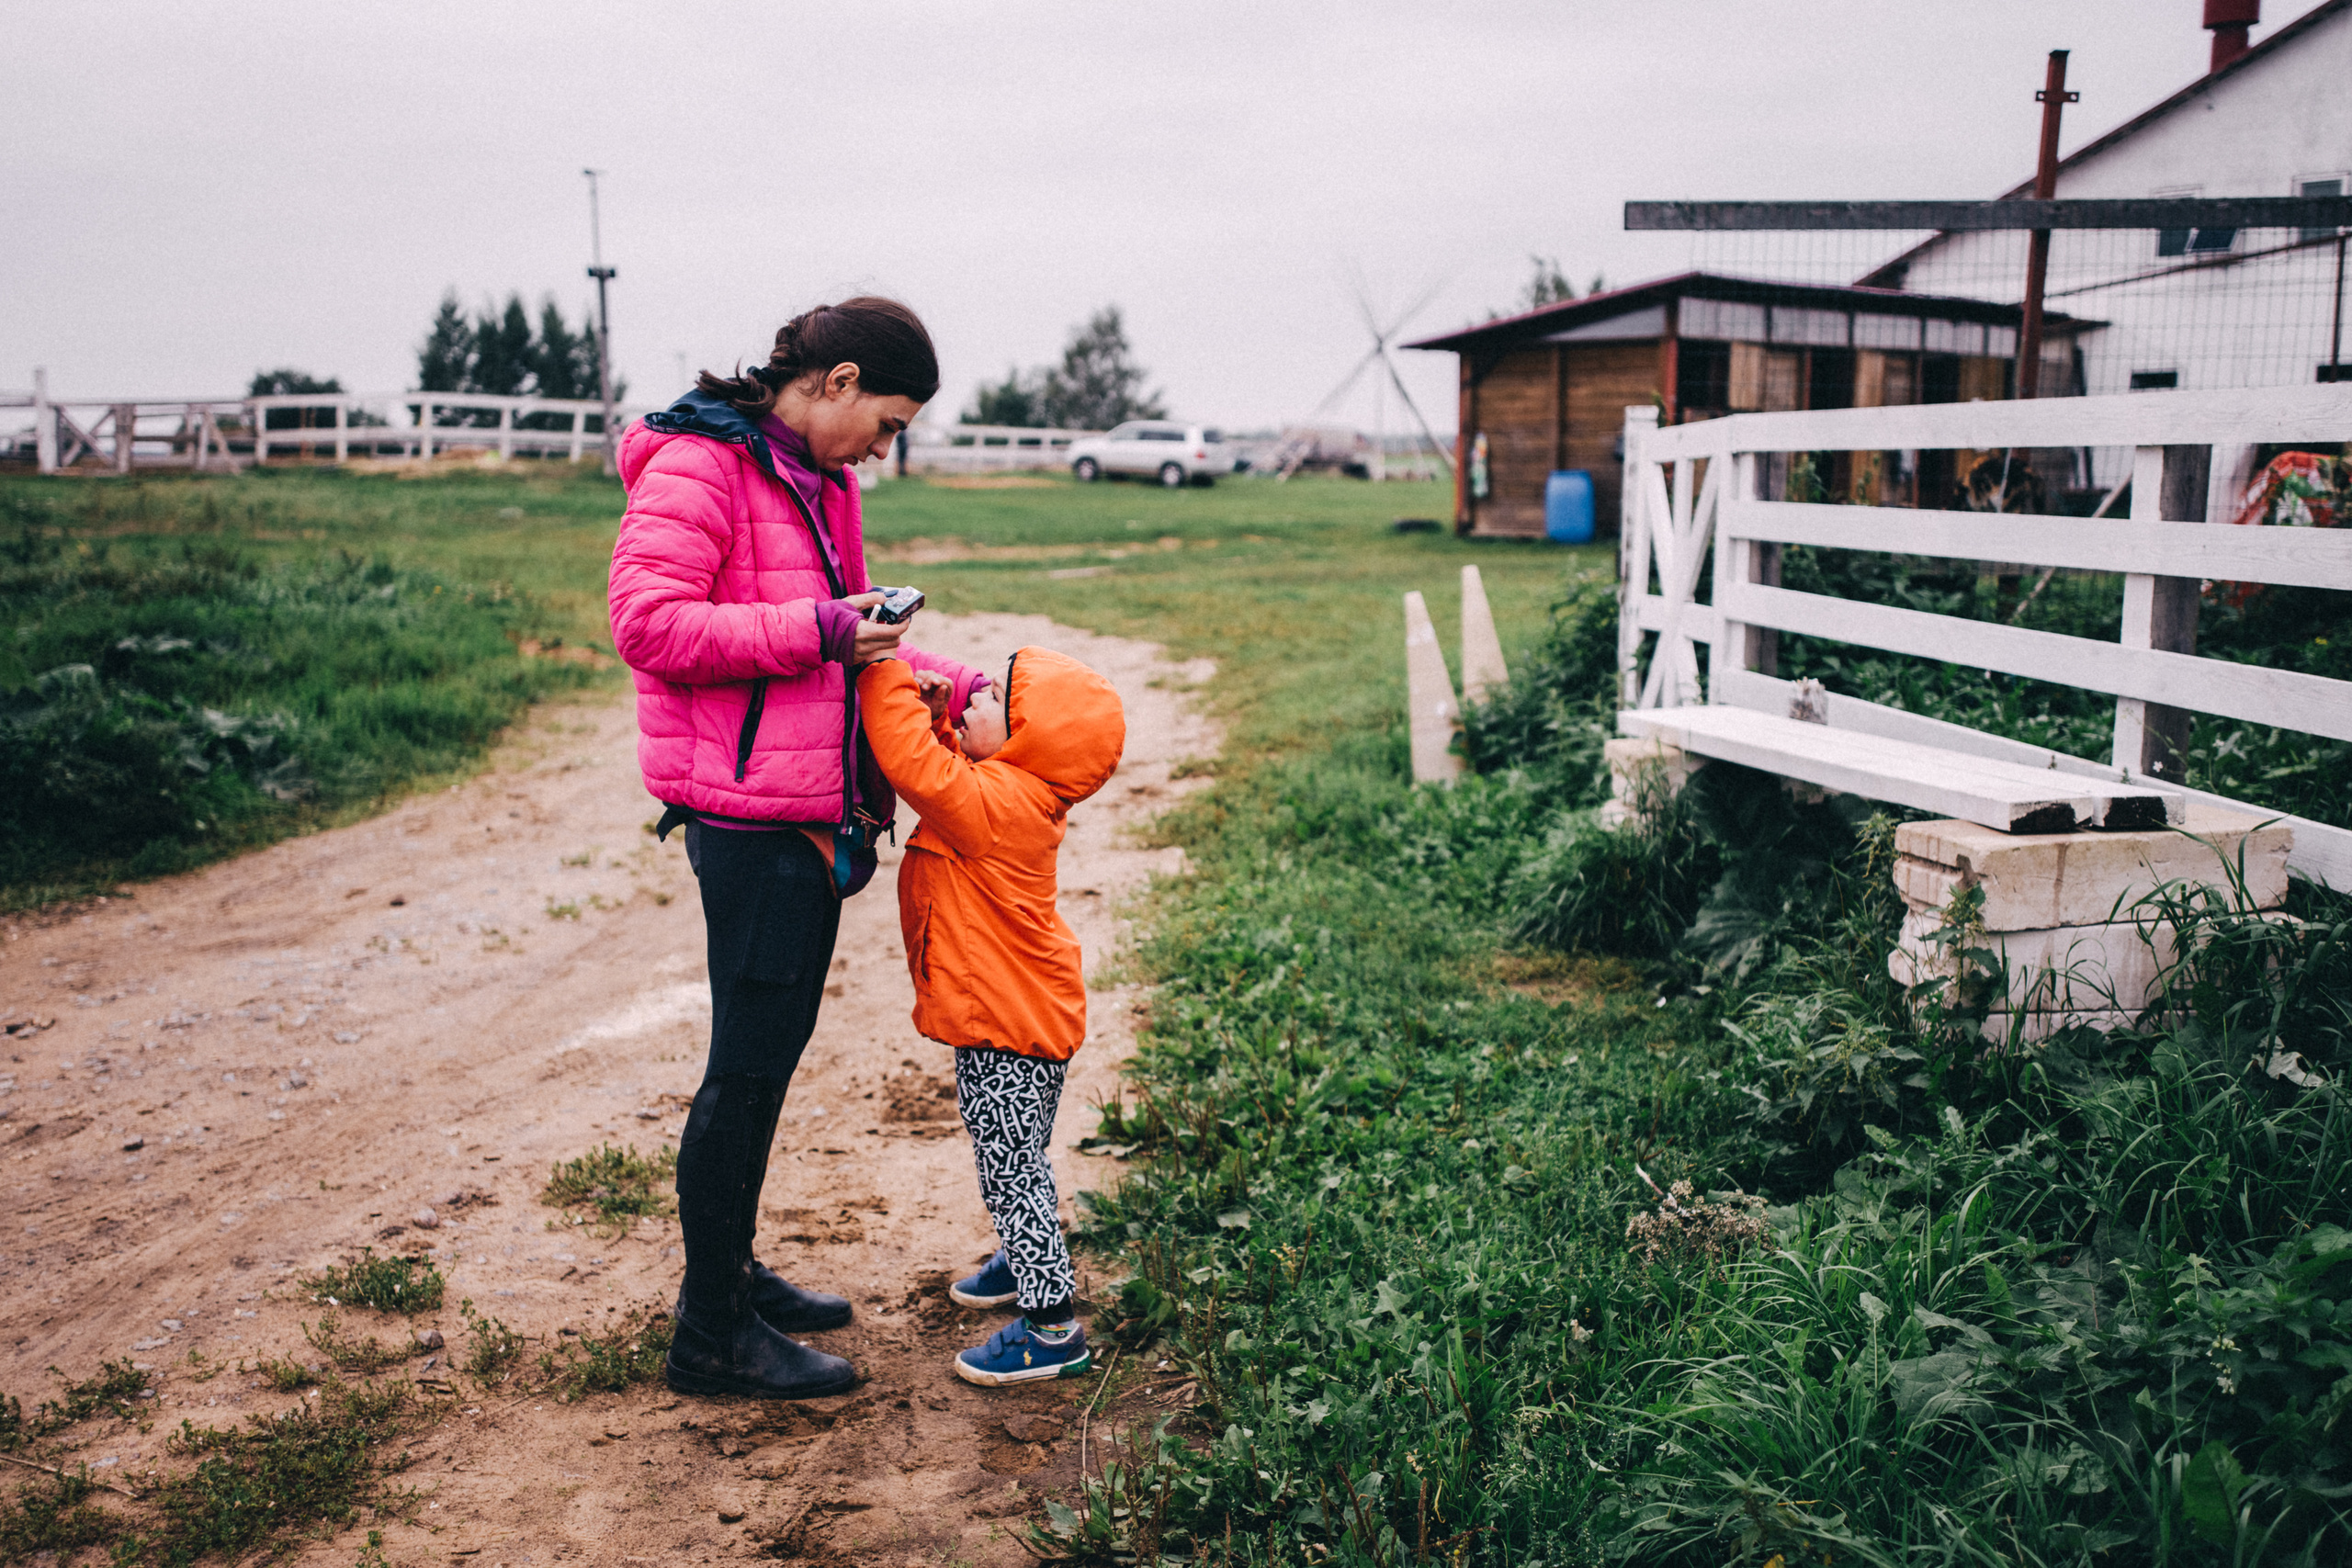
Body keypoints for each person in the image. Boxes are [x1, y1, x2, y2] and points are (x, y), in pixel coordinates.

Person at [607, 298, 989, 1401]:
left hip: (799, 809)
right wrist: (824, 626)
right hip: (748, 817)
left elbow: (842, 643)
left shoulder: (822, 480)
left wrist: (934, 677)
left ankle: (728, 1277)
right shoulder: (699, 465)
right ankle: (711, 1335)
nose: (886, 444)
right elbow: (649, 624)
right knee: (746, 1073)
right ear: (837, 380)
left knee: (762, 1071)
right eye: (887, 420)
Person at [855, 647, 1125, 1385]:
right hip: (1022, 1018)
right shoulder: (1009, 793)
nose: (975, 695)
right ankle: (1023, 1255)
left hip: (1009, 1029)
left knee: (1011, 1168)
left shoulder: (1000, 805)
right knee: (1019, 1157)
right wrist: (945, 719)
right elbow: (951, 778)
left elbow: (920, 773)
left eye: (993, 699)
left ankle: (1051, 1326)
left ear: (1025, 739)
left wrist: (883, 670)